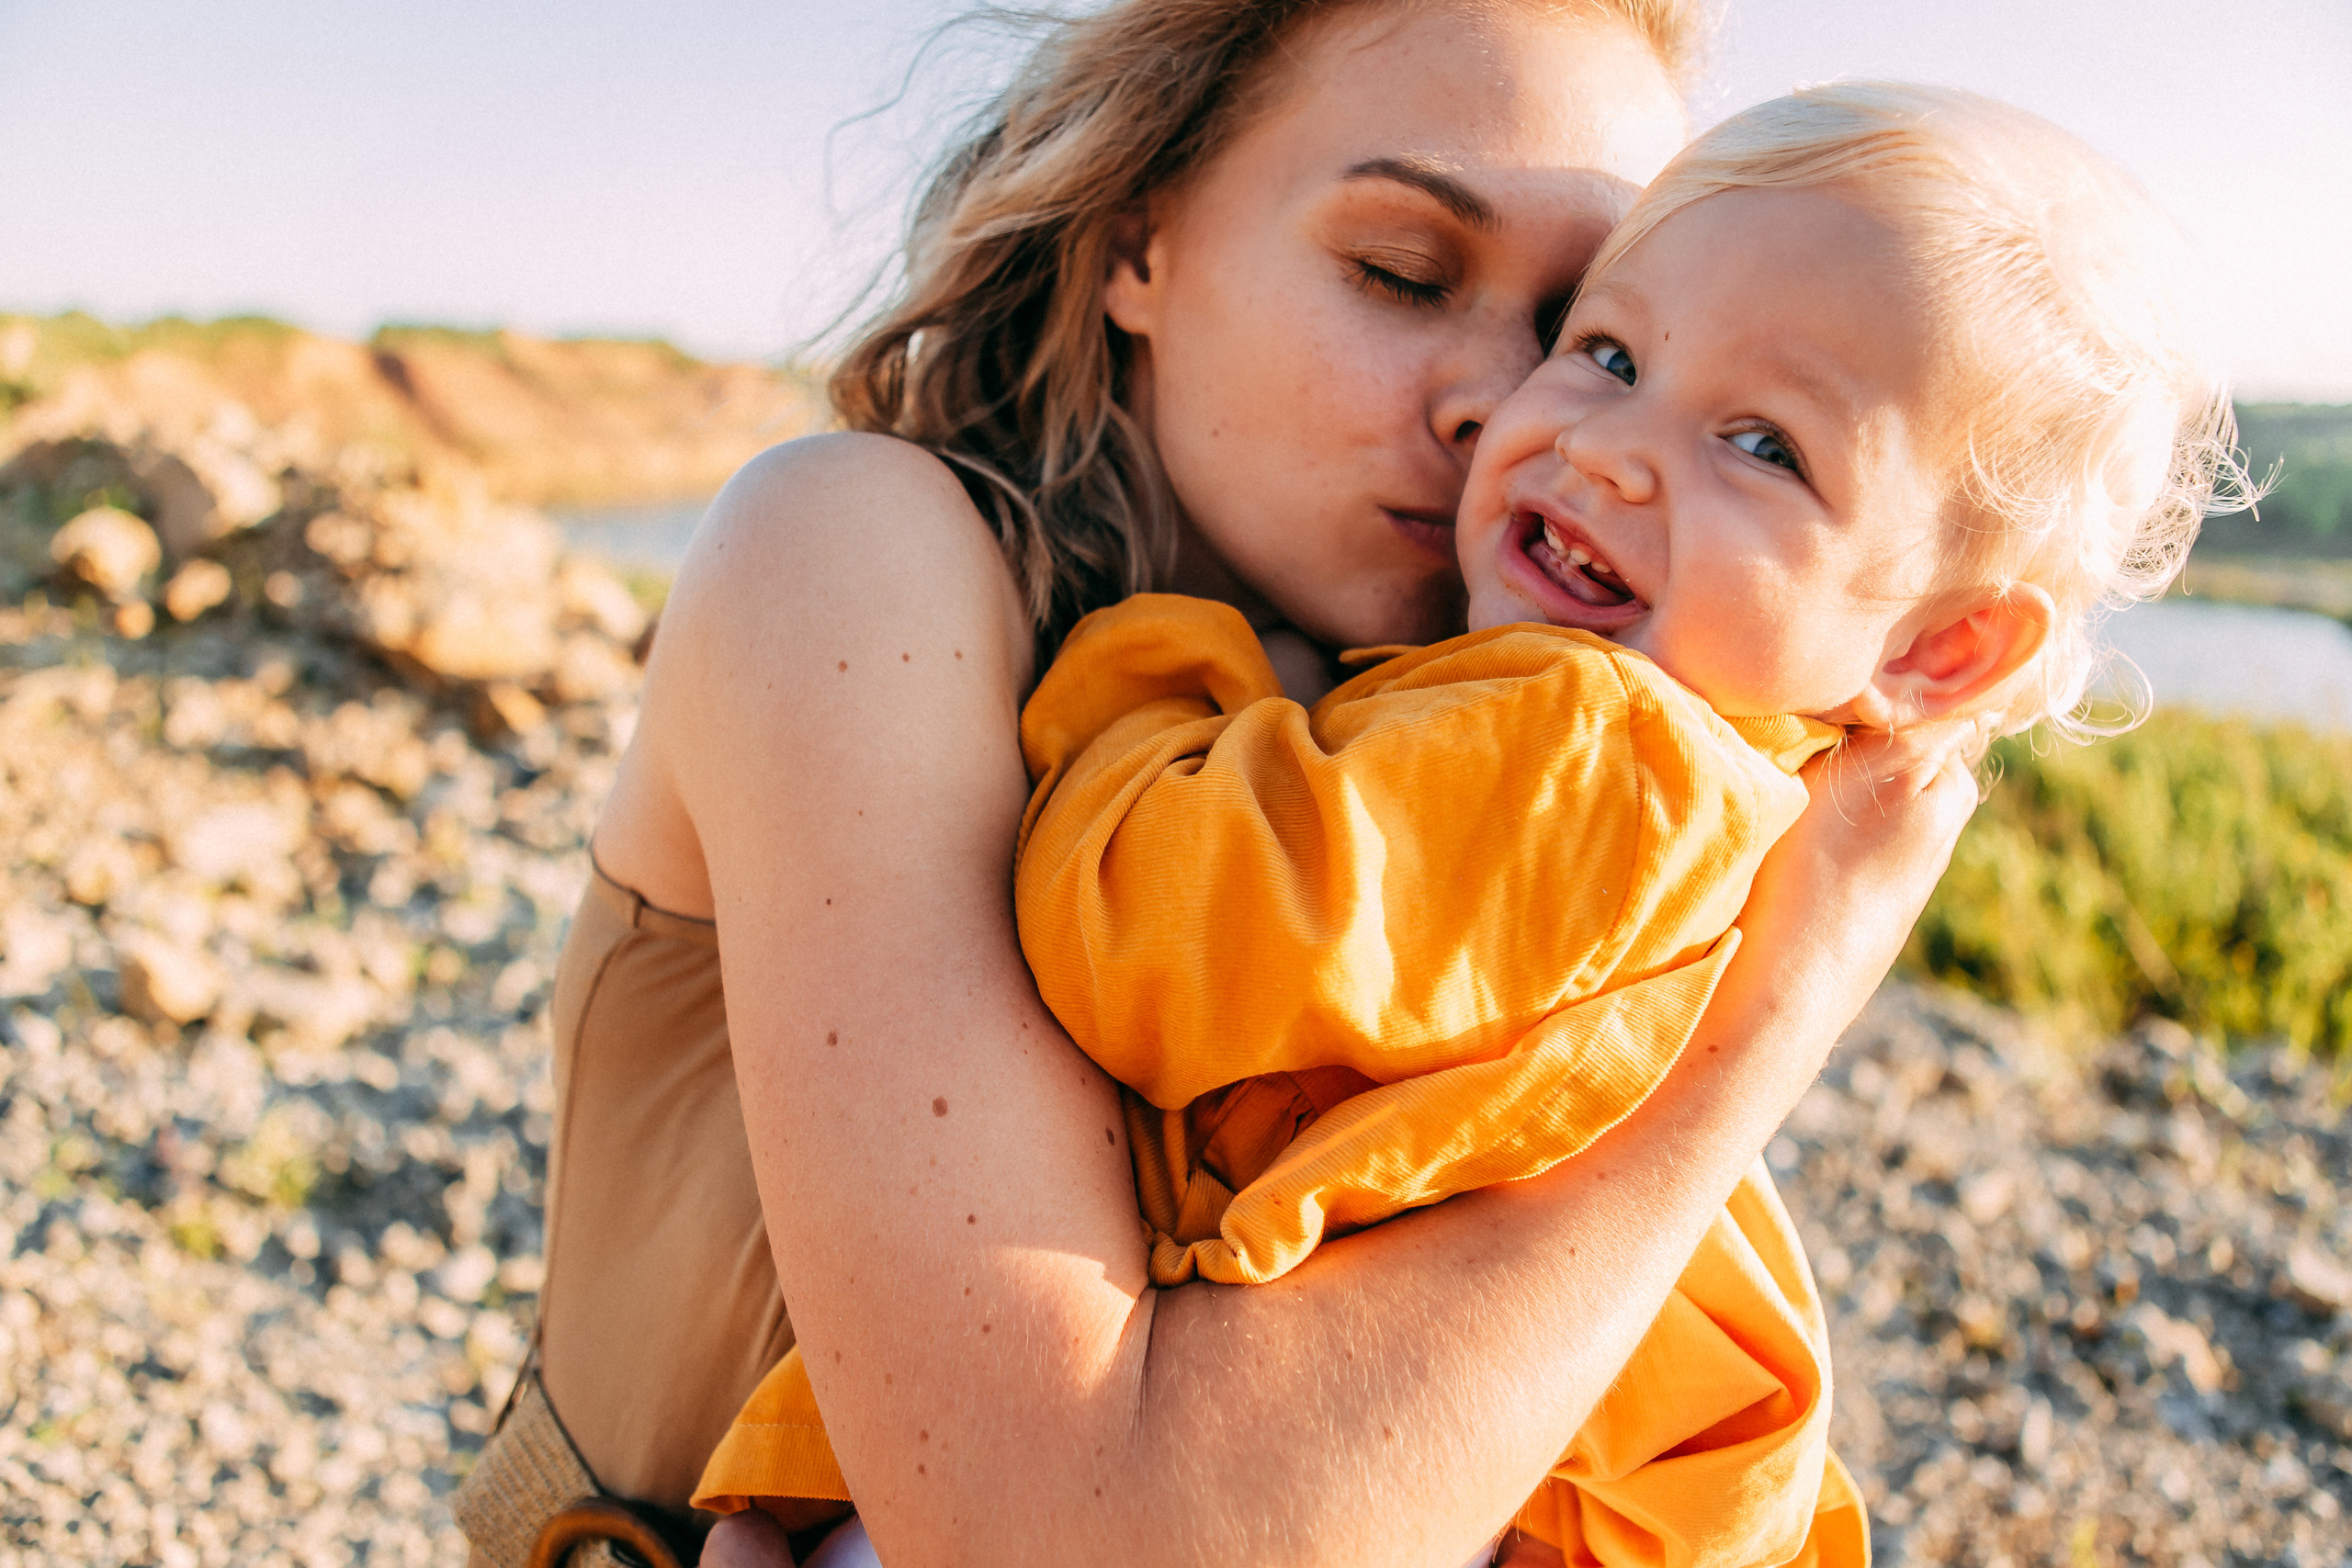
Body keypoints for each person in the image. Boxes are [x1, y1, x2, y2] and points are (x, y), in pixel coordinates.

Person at [451, 6, 1983, 1567]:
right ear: (1139, 240)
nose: (1502, 404)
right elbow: (1069, 1543)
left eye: (1580, 332)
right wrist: (1763, 1030)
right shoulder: (852, 551)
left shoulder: (1448, 759)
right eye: (1403, 271)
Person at [683, 81, 2233, 1567]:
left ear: (1944, 649)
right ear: (1139, 237)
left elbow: (1139, 941)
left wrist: (1179, 687)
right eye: (1607, 351)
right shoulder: (1661, 776)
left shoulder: (1593, 745)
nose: (1591, 436)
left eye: (1765, 446)